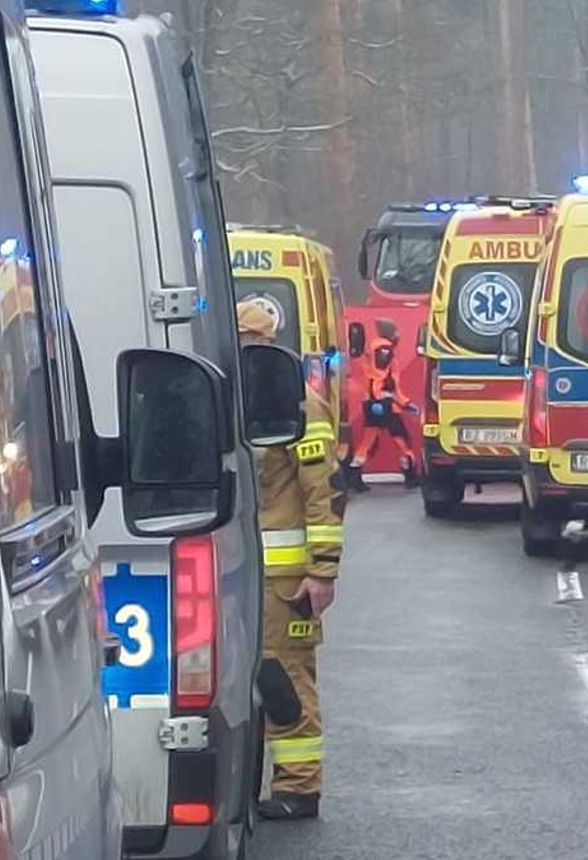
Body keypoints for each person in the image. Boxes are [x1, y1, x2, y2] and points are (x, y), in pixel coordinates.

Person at [237, 301, 346, 820]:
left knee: (284, 677)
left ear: (263, 345)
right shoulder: (249, 403)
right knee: (258, 678)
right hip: (251, 571)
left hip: (287, 578)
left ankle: (300, 787)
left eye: (246, 345)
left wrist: (322, 570)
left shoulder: (301, 406)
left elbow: (323, 493)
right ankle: (275, 781)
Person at [348, 334, 420, 489]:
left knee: (368, 443)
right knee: (402, 443)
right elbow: (394, 392)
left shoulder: (371, 365)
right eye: (382, 352)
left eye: (387, 352)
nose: (384, 356)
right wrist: (405, 403)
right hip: (387, 409)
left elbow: (393, 391)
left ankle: (354, 475)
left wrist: (406, 403)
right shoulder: (382, 366)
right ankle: (410, 476)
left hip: (373, 408)